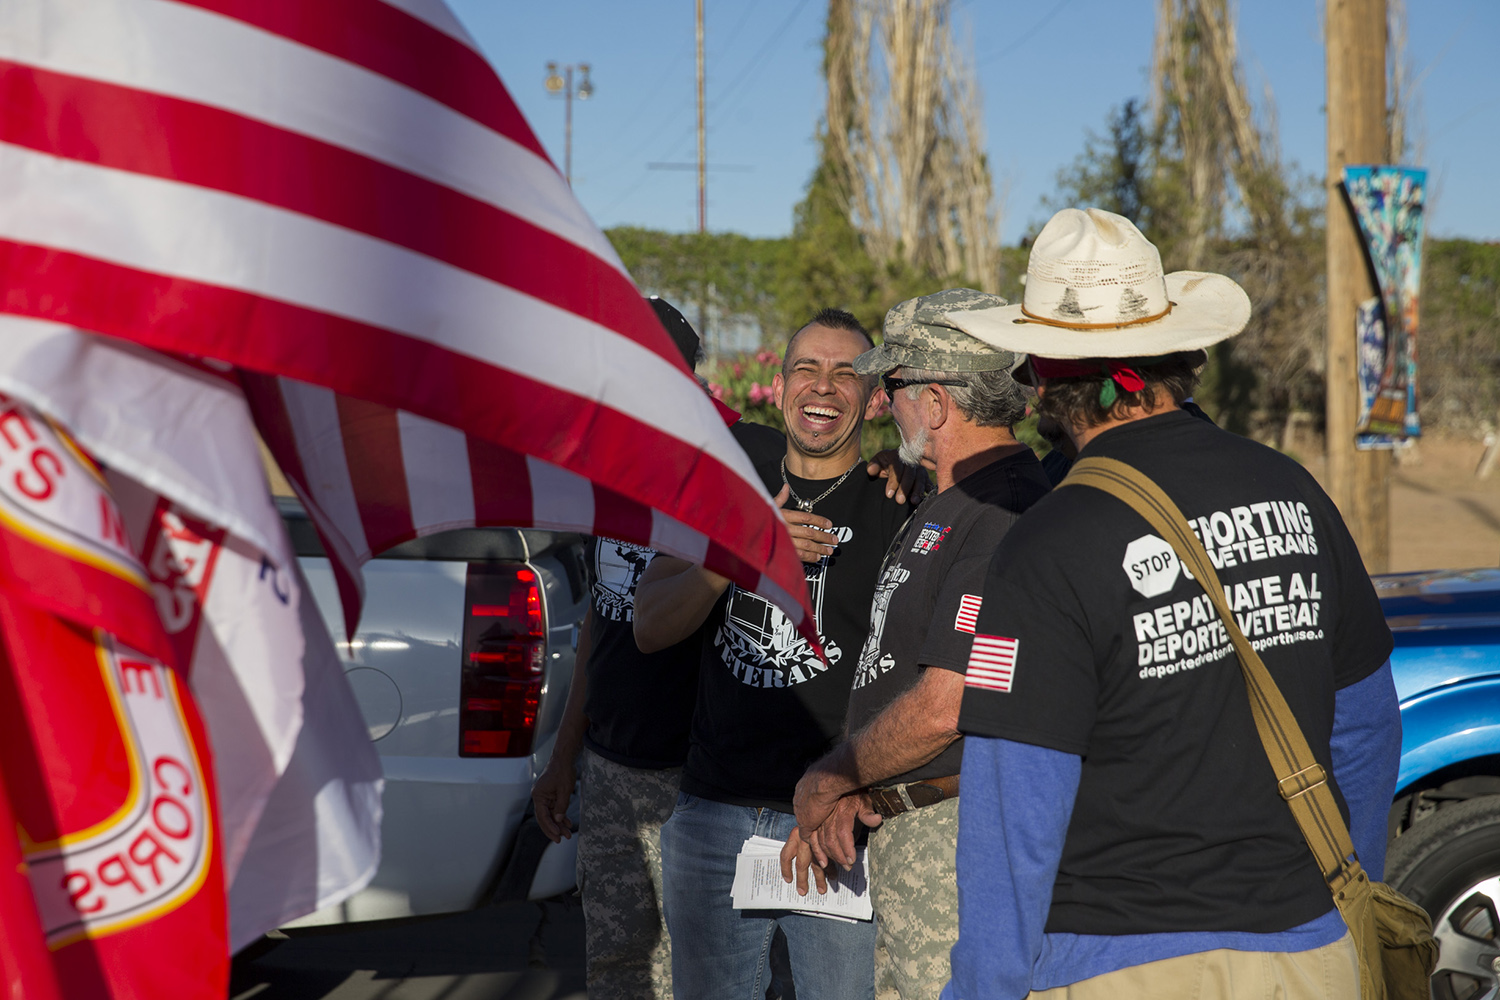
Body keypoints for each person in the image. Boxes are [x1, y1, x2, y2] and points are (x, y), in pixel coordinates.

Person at [936, 207, 1401, 999]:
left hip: (1121, 962)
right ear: (1178, 353)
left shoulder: (1044, 544)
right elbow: (1366, 726)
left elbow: (1014, 813)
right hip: (1310, 953)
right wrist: (1341, 893)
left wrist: (983, 989)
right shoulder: (1292, 489)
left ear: (1047, 373)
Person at [780, 289, 1051, 1000]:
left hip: (954, 842)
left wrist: (832, 776)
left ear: (935, 404)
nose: (881, 402)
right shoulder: (953, 497)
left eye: (892, 386)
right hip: (911, 832)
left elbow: (946, 705)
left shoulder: (1003, 511)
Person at [633, 308, 912, 1000]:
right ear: (782, 384)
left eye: (846, 372)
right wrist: (746, 554)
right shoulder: (728, 490)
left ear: (875, 398)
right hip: (712, 815)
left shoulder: (901, 505)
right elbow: (649, 624)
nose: (823, 386)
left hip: (832, 823)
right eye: (806, 369)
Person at [530, 296, 786, 1000]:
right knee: (618, 970)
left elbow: (847, 485)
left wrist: (898, 470)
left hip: (705, 782)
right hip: (611, 771)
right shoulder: (607, 468)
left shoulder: (754, 459)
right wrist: (564, 757)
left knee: (715, 976)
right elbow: (600, 622)